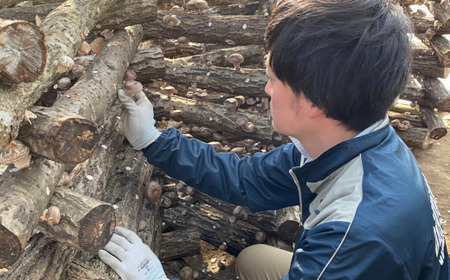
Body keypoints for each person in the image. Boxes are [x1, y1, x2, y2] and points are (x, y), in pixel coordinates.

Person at [98, 0, 450, 279]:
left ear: (314, 102)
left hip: (358, 263)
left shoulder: (352, 241)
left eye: (272, 79)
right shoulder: (352, 140)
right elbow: (245, 179)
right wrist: (152, 139)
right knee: (254, 260)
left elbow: (348, 252)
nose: (266, 89)